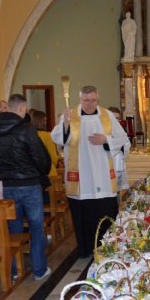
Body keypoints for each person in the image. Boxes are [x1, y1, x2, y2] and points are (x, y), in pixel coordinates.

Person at [51, 85, 130, 258]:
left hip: (103, 176)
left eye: (93, 100)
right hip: (81, 179)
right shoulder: (70, 116)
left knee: (104, 215)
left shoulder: (107, 116)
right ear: (80, 99)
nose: (90, 104)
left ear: (97, 99)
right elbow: (57, 138)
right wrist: (64, 123)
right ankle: (85, 250)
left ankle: (107, 250)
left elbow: (123, 138)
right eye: (86, 100)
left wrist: (106, 139)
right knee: (84, 218)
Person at [0, 94, 52, 281]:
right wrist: (41, 172)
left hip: (7, 185)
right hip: (30, 184)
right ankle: (39, 270)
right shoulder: (26, 129)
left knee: (13, 229)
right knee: (36, 227)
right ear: (23, 108)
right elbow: (40, 156)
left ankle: (15, 270)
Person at [108, 106, 131, 194]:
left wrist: (123, 148)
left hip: (118, 164)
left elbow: (127, 143)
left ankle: (116, 206)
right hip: (108, 165)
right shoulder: (102, 130)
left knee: (117, 190)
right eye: (112, 117)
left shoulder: (120, 130)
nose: (115, 120)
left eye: (117, 118)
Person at [32, 110, 59, 177]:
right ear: (41, 122)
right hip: (49, 172)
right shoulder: (47, 135)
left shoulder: (29, 135)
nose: (46, 123)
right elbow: (53, 157)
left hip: (35, 173)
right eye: (45, 121)